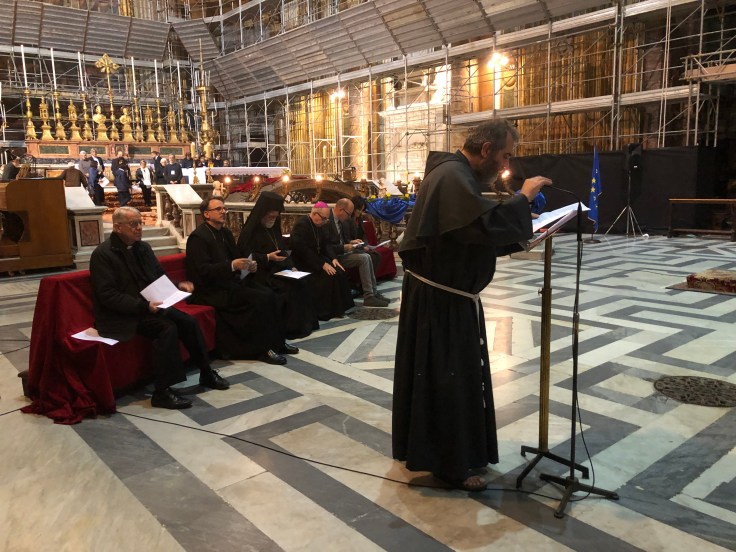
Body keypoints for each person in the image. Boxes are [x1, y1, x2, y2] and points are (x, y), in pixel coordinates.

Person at [392, 118, 550, 491]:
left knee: (453, 379)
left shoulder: (456, 174)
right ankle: (450, 465)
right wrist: (523, 199)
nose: (506, 164)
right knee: (449, 381)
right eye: (505, 155)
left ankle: (453, 454)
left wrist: (525, 231)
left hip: (446, 297)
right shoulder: (452, 176)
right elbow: (478, 228)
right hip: (441, 302)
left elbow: (467, 234)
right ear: (487, 149)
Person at [89, 206, 229, 410]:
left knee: (188, 321)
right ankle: (162, 392)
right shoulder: (103, 254)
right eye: (133, 224)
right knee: (167, 328)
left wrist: (177, 286)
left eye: (140, 223)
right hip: (122, 315)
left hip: (150, 306)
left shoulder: (143, 248)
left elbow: (158, 276)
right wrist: (143, 305)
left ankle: (206, 372)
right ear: (118, 227)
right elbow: (107, 295)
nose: (139, 227)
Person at [186, 196, 298, 365]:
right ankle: (262, 349)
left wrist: (249, 265)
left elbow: (238, 257)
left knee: (270, 294)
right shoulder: (198, 238)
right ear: (206, 214)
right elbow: (203, 271)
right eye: (218, 209)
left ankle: (277, 343)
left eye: (224, 208)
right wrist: (232, 266)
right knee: (261, 299)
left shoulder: (225, 233)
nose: (223, 211)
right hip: (210, 290)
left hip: (230, 283)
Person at [237, 192, 319, 339]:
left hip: (278, 270)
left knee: (302, 283)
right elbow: (245, 256)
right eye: (271, 216)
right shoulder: (250, 231)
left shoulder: (274, 228)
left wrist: (291, 266)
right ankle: (290, 329)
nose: (273, 219)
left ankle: (304, 326)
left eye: (276, 216)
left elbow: (282, 250)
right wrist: (268, 257)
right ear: (263, 213)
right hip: (260, 273)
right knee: (288, 289)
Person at [290, 202, 354, 321]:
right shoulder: (301, 224)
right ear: (315, 214)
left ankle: (341, 308)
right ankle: (325, 312)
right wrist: (322, 264)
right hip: (304, 262)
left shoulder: (320, 224)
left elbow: (326, 244)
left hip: (318, 259)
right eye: (324, 218)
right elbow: (302, 250)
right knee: (328, 276)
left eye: (326, 219)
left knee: (339, 271)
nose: (325, 221)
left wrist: (333, 258)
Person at [327, 198, 388, 307]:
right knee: (364, 258)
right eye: (349, 214)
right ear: (341, 210)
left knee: (367, 256)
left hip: (342, 253)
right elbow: (327, 246)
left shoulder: (341, 220)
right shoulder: (327, 220)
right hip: (333, 257)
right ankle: (368, 297)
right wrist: (344, 248)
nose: (349, 217)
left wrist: (351, 242)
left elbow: (343, 240)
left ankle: (373, 292)